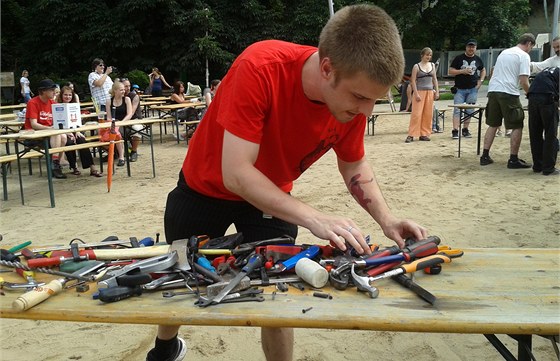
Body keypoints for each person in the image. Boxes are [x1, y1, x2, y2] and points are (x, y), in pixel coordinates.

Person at [147, 5, 428, 361]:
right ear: (327, 69)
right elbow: (237, 173)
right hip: (204, 187)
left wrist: (387, 220)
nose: (367, 111)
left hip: (271, 196)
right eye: (360, 97)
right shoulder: (260, 67)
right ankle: (166, 347)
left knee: (276, 295)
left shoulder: (351, 102)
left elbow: (353, 162)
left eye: (376, 99)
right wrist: (314, 218)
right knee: (181, 280)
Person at [480, 33, 535, 168]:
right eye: (531, 47)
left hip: (493, 90)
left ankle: (485, 156)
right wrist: (531, 94)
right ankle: (513, 159)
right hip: (508, 92)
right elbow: (523, 81)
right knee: (517, 124)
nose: (530, 49)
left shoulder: (505, 52)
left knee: (493, 124)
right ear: (528, 44)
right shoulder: (524, 56)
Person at [24, 79, 68, 179]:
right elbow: (34, 124)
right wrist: (50, 128)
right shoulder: (33, 102)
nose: (54, 92)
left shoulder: (52, 102)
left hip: (48, 132)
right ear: (43, 91)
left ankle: (55, 163)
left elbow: (57, 120)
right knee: (56, 134)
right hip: (33, 134)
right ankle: (55, 165)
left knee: (64, 137)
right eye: (52, 90)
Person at [56, 85, 103, 177]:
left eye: (70, 95)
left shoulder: (74, 106)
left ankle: (92, 167)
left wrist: (77, 131)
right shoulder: (56, 107)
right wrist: (67, 133)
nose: (68, 97)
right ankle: (74, 167)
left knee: (82, 140)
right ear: (61, 95)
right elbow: (57, 123)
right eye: (65, 95)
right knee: (69, 143)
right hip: (62, 132)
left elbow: (77, 122)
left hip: (75, 129)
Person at [448, 39, 486, 139]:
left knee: (470, 110)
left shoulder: (478, 59)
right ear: (466, 47)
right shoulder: (459, 58)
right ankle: (455, 130)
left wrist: (480, 81)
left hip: (473, 88)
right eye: (469, 46)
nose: (471, 49)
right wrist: (462, 71)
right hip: (460, 88)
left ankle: (465, 129)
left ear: (476, 48)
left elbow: (483, 70)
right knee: (457, 109)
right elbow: (450, 71)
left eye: (473, 47)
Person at [527, 67, 559, 175]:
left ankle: (538, 165)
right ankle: (548, 168)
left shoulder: (549, 70)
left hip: (532, 96)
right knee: (550, 133)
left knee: (535, 132)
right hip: (547, 97)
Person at [405, 47, 439, 143]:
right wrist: (415, 94)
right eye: (427, 54)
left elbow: (434, 79)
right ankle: (411, 134)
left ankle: (424, 134)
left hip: (429, 91)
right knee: (416, 114)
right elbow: (413, 81)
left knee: (428, 114)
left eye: (430, 55)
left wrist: (437, 91)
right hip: (419, 91)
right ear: (422, 55)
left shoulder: (432, 65)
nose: (428, 56)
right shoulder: (416, 66)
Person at [101, 80, 129, 167]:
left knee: (116, 133)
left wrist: (120, 123)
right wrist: (113, 124)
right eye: (121, 90)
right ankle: (113, 152)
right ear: (115, 91)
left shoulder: (127, 99)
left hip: (125, 123)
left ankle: (121, 157)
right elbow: (109, 117)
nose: (123, 91)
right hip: (113, 123)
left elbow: (129, 114)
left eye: (123, 89)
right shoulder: (109, 101)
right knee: (101, 134)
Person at [122, 78, 143, 162]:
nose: (128, 88)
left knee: (137, 129)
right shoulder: (117, 97)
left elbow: (132, 112)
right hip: (121, 121)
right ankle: (115, 153)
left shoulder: (134, 96)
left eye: (129, 86)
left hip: (135, 119)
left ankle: (134, 151)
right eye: (125, 86)